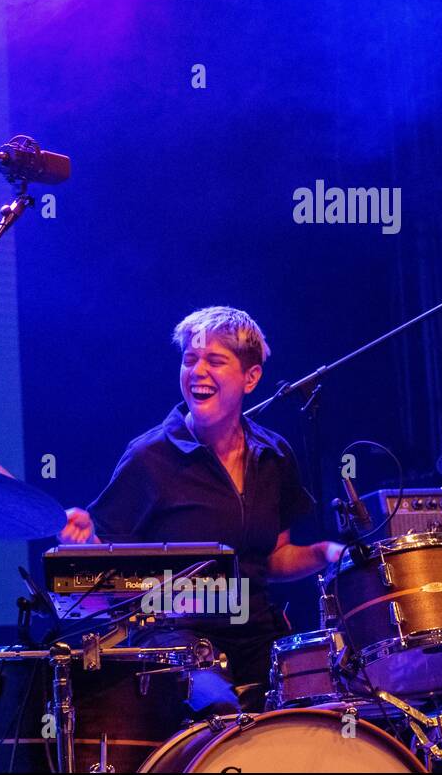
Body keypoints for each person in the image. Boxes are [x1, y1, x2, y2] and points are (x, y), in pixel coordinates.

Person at [59, 306, 343, 714]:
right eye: (190, 360)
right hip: (174, 640)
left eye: (215, 360)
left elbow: (274, 557)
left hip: (258, 638)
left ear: (251, 377)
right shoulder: (150, 457)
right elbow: (106, 573)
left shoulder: (274, 455)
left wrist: (325, 553)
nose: (198, 371)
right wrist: (85, 542)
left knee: (322, 709)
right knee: (221, 714)